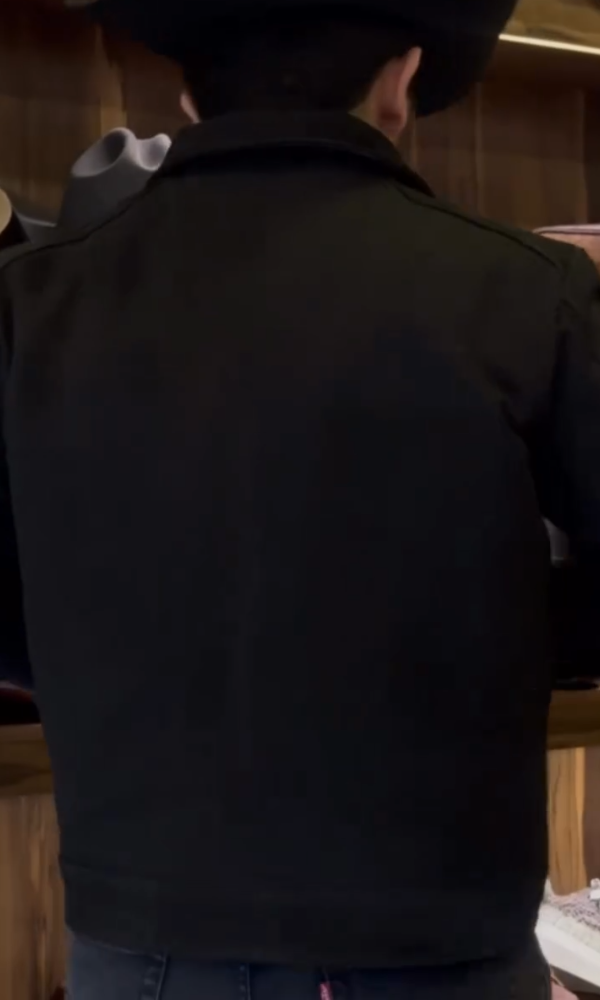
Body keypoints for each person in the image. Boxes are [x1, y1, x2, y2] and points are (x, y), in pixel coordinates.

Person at [1, 0, 599, 997]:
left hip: (144, 939)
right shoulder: (531, 294)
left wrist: (114, 646)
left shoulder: (28, 305)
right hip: (438, 935)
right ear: (401, 82)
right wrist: (501, 629)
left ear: (188, 94)